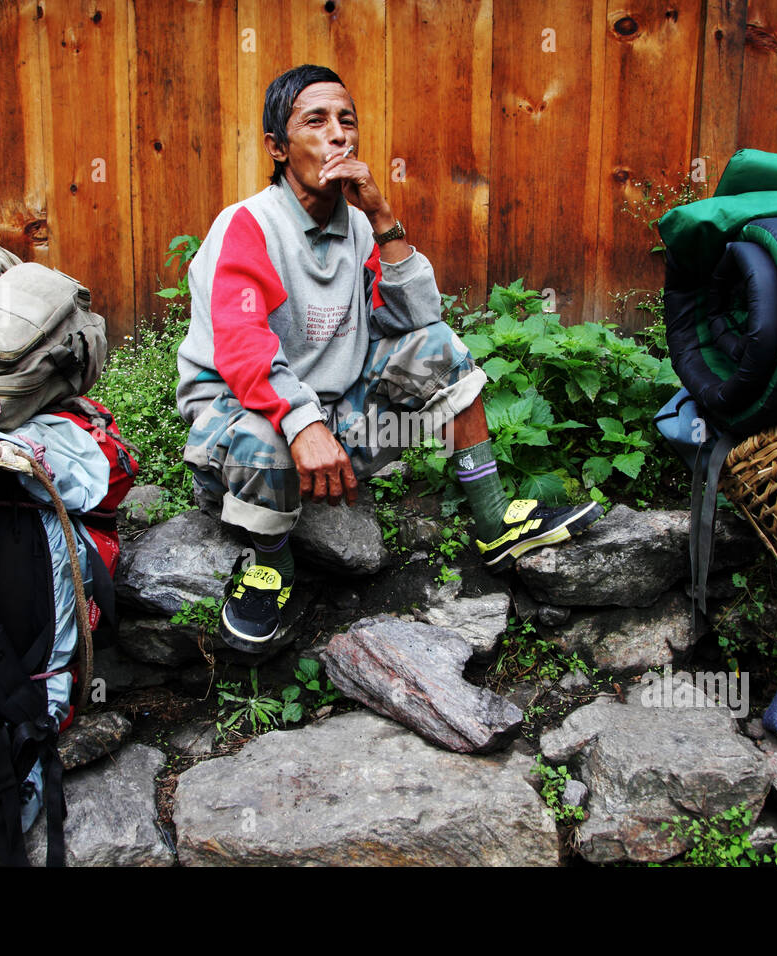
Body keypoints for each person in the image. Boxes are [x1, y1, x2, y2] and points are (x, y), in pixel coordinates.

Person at [176, 64, 602, 653]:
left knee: (440, 348)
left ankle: (495, 519)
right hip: (240, 426)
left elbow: (419, 321)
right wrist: (303, 426)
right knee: (261, 437)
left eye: (346, 121)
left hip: (333, 427)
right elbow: (243, 348)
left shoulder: (357, 227)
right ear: (277, 147)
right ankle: (271, 564)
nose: (338, 135)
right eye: (315, 121)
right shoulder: (248, 226)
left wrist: (382, 218)